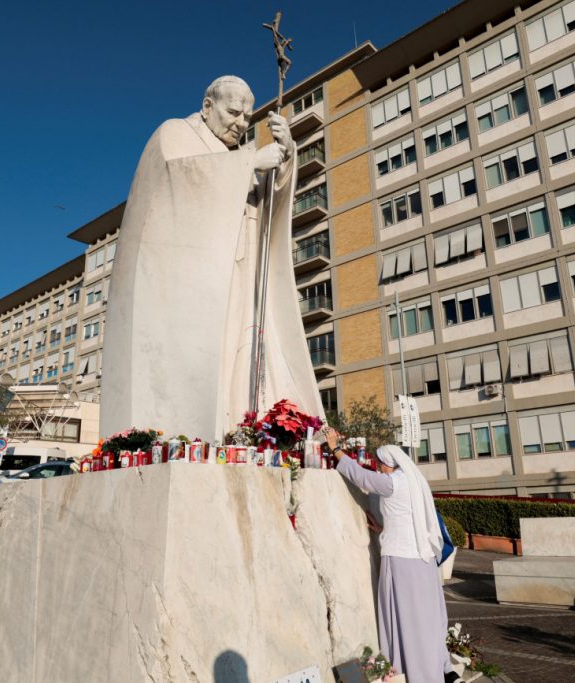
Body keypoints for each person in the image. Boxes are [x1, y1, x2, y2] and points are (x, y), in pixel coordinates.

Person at [101, 76, 323, 441]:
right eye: (233, 113)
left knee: (249, 352)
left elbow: (262, 207)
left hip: (241, 273)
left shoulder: (234, 156)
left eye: (247, 119)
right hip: (198, 285)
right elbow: (174, 183)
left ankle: (247, 427)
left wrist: (284, 161)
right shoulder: (173, 134)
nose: (240, 123)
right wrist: (249, 163)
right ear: (207, 106)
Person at [324, 427, 458, 683]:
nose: (378, 468)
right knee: (426, 620)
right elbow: (411, 519)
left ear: (388, 464)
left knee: (408, 620)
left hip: (403, 562)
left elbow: (359, 476)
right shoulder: (415, 483)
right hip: (424, 562)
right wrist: (384, 529)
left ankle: (418, 674)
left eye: (379, 464)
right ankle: (437, 668)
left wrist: (335, 449)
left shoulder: (392, 482)